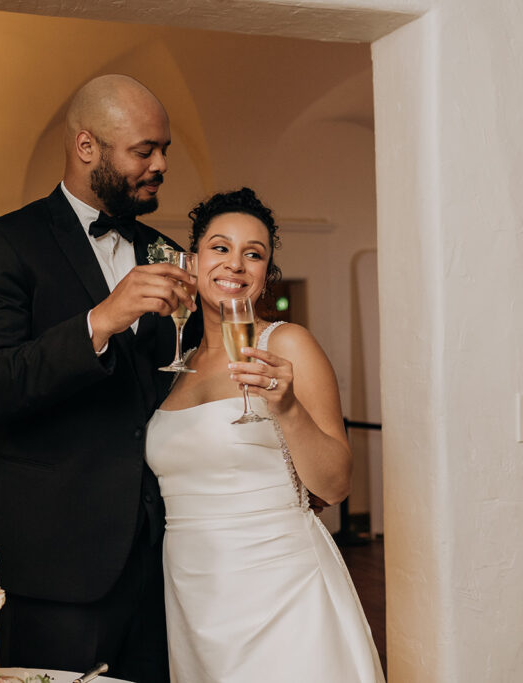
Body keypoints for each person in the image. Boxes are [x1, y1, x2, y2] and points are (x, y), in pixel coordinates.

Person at [0, 74, 198, 682]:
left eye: (163, 149)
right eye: (145, 150)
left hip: (167, 558)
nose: (161, 164)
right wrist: (100, 321)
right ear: (88, 147)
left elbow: (184, 385)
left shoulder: (168, 253)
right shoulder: (4, 243)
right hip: (56, 563)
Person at [145, 188, 385, 682]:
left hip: (279, 586)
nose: (235, 264)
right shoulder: (176, 363)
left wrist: (287, 407)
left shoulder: (288, 343)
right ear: (192, 261)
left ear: (264, 272)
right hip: (192, 590)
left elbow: (335, 486)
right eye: (220, 247)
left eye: (252, 254)